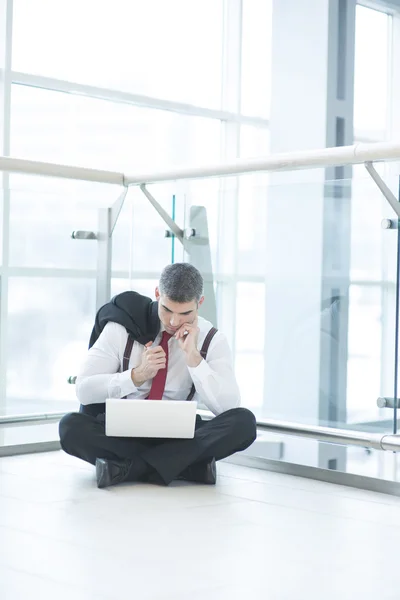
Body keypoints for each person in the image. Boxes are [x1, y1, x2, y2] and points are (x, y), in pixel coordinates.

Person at [59, 263, 257, 488]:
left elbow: (228, 408)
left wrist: (194, 359)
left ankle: (127, 469)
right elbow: (83, 390)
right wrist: (136, 376)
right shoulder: (122, 328)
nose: (173, 322)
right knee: (69, 427)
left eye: (185, 314)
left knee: (244, 423)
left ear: (199, 303)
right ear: (157, 294)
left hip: (180, 436)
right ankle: (184, 466)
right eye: (167, 309)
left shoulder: (211, 340)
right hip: (124, 433)